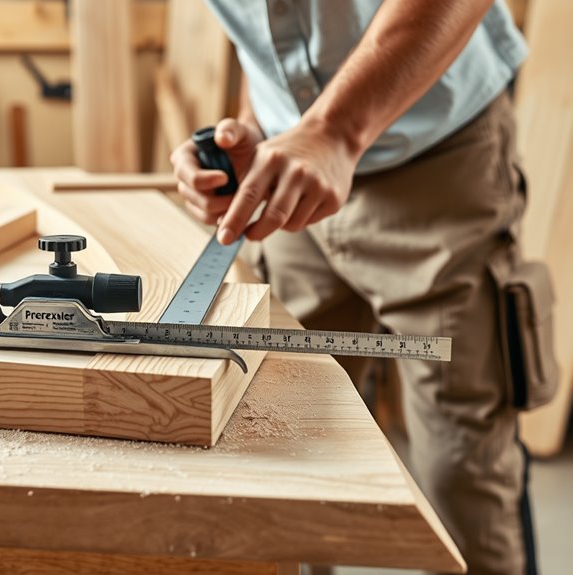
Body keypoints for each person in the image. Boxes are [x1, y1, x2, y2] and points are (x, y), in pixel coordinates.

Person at [170, 1, 557, 573]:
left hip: (438, 160)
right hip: (293, 182)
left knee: (463, 475)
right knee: (289, 448)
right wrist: (255, 129)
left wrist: (334, 130)